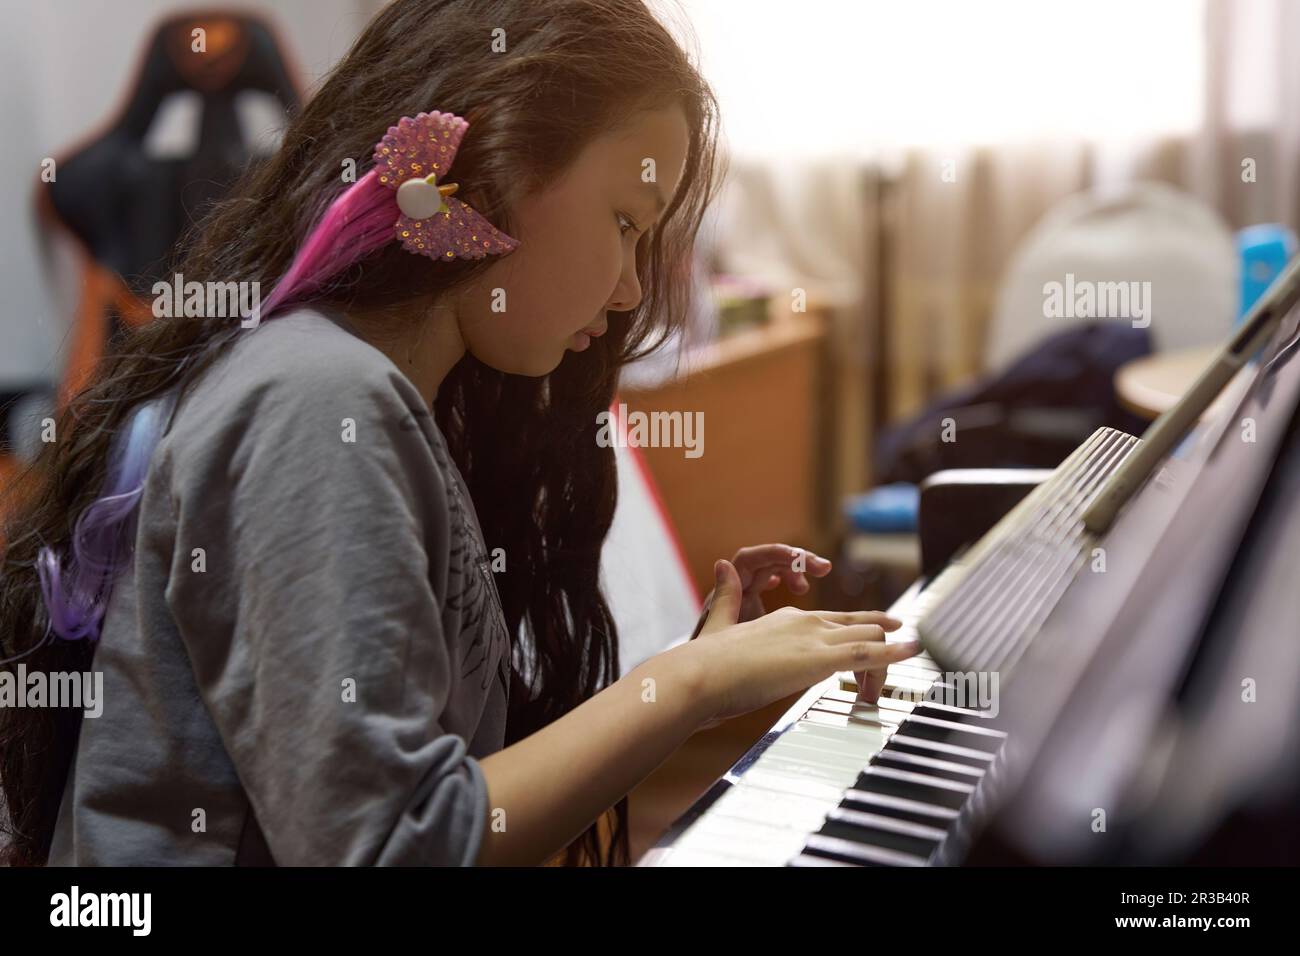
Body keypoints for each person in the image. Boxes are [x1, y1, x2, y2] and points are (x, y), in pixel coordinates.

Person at [0, 0, 918, 867]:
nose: (635, 289)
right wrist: (686, 688)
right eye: (626, 223)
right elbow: (393, 844)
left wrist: (693, 668)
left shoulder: (387, 396)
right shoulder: (321, 400)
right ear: (498, 164)